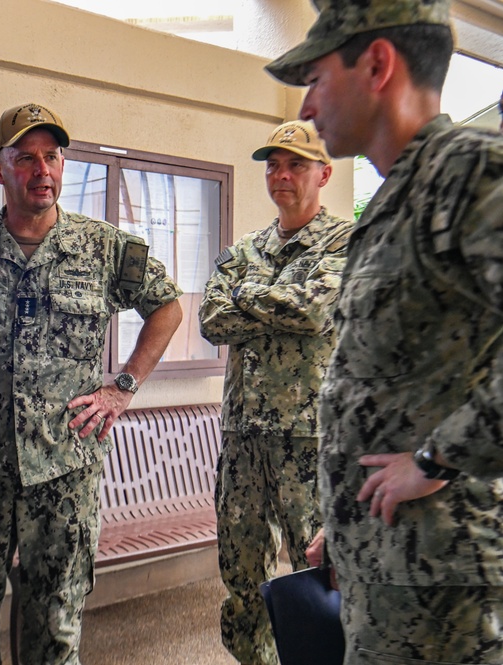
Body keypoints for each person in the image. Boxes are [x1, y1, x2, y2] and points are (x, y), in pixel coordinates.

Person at [0, 102, 183, 664]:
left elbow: (167, 308)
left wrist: (122, 386)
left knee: (55, 633)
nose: (42, 170)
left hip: (64, 473)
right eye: (25, 158)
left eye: (51, 157)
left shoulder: (103, 248)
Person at [265, 1, 503, 662]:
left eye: (314, 78)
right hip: (381, 563)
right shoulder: (397, 198)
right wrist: (341, 523)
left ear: (375, 64)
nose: (307, 106)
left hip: (438, 583)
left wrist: (434, 459)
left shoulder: (468, 170)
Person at [198, 119, 352, 665]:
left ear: (324, 174)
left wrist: (245, 294)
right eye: (273, 165)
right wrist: (272, 300)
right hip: (243, 440)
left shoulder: (347, 242)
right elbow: (211, 319)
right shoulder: (247, 246)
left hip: (307, 441)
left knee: (321, 578)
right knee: (241, 579)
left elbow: (314, 310)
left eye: (296, 165)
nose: (281, 175)